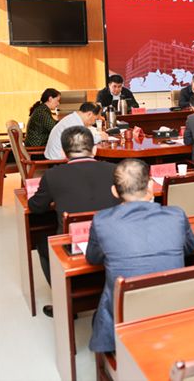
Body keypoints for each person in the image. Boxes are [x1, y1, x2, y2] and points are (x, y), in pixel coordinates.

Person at [86, 158, 194, 353]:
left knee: (102, 305)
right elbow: (190, 247)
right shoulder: (176, 215)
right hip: (173, 307)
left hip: (127, 314)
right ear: (151, 186)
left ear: (114, 191)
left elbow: (93, 258)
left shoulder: (102, 221)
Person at [28, 126, 119, 316]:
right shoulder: (114, 170)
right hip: (112, 239)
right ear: (94, 149)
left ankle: (65, 302)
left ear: (63, 152)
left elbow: (36, 207)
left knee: (42, 243)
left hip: (74, 245)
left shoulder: (52, 175)